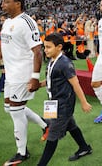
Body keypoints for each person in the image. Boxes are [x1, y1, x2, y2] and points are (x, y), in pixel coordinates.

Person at [0, 0, 49, 165]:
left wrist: (34, 78)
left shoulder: (27, 22)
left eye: (6, 2)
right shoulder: (7, 22)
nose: (2, 5)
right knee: (10, 109)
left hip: (23, 75)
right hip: (10, 74)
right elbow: (1, 48)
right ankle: (45, 125)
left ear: (17, 3)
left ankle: (22, 153)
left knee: (16, 111)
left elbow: (37, 51)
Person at [33, 33, 93, 165]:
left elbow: (75, 83)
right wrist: (38, 85)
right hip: (54, 103)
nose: (45, 50)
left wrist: (84, 102)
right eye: (45, 47)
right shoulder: (52, 60)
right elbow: (51, 80)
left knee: (52, 135)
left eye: (48, 47)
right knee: (71, 125)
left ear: (59, 47)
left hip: (63, 106)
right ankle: (84, 147)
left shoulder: (65, 63)